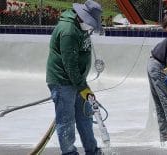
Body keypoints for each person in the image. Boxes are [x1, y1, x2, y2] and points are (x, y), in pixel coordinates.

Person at [46, 0, 103, 154]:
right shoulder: (68, 31)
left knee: (85, 116)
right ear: (82, 17)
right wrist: (82, 87)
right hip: (62, 80)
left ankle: (92, 150)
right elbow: (69, 65)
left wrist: (82, 85)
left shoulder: (82, 27)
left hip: (77, 81)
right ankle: (69, 152)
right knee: (66, 121)